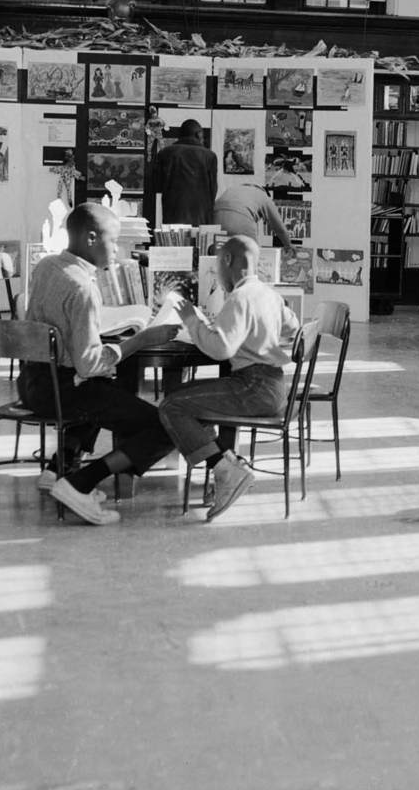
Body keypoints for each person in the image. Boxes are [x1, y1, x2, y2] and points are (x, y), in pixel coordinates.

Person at [20, 202, 182, 525]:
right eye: (114, 240)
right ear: (91, 238)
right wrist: (140, 341)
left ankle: (59, 467)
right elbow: (88, 365)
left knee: (106, 385)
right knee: (167, 426)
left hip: (33, 383)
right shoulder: (82, 288)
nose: (117, 249)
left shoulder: (46, 267)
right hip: (64, 392)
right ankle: (79, 483)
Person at [157, 236, 302, 520]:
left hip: (252, 387)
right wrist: (258, 335)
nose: (217, 274)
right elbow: (293, 326)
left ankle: (225, 470)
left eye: (217, 267)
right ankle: (224, 467)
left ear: (226, 261)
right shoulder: (268, 293)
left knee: (171, 406)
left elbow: (221, 349)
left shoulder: (239, 297)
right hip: (273, 385)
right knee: (188, 398)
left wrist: (192, 320)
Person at [150, 119, 218, 225]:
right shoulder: (210, 156)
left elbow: (157, 186)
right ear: (198, 134)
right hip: (201, 217)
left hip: (173, 216)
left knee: (173, 241)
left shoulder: (165, 153)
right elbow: (212, 191)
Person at [214, 181, 294, 250]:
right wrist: (288, 245)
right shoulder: (264, 197)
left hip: (215, 219)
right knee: (253, 256)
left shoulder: (233, 188)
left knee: (218, 259)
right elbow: (279, 228)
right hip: (241, 219)